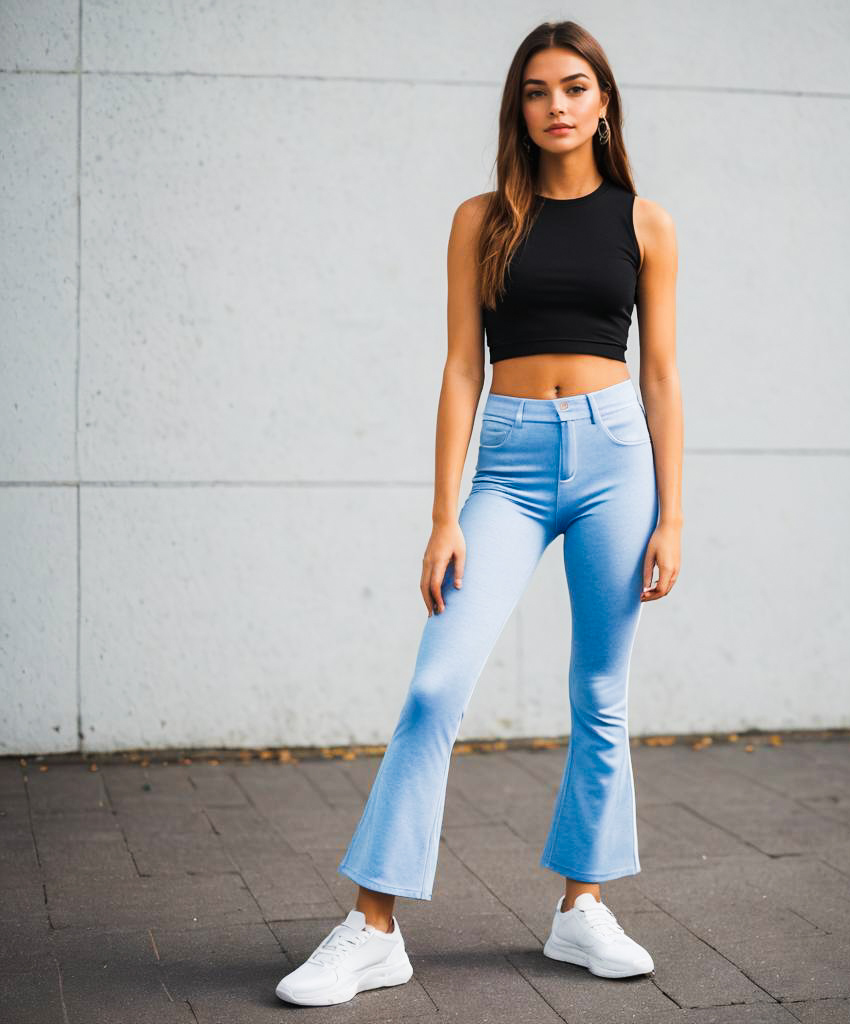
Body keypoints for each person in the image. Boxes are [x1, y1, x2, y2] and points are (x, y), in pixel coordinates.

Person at [276, 19, 682, 1007]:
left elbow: (662, 376)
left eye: (575, 87)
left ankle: (580, 908)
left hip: (615, 457)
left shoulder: (645, 222)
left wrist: (673, 514)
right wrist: (442, 513)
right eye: (538, 90)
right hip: (505, 461)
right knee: (435, 685)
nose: (557, 106)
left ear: (604, 102)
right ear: (519, 106)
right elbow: (462, 366)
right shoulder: (479, 218)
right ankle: (373, 928)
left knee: (599, 692)